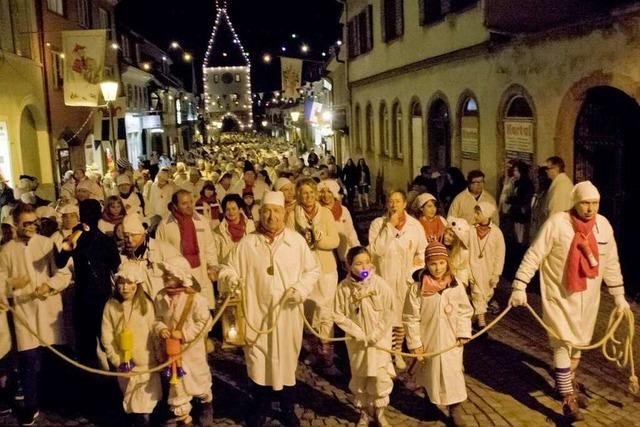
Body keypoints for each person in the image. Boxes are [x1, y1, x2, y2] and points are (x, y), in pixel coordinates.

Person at [509, 181, 630, 422]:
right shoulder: (557, 224)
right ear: (575, 202)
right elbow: (535, 254)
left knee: (578, 345)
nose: (590, 208)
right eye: (585, 203)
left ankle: (566, 380)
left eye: (595, 203)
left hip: (589, 299)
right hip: (559, 296)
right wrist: (519, 286)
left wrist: (619, 297)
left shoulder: (604, 227)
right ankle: (567, 396)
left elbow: (612, 263)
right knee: (562, 342)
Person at [218, 191, 321, 427]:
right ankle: (260, 408)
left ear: (284, 213)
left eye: (276, 211)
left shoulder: (296, 242)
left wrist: (300, 289)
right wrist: (231, 279)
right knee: (257, 363)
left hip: (286, 316)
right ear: (259, 214)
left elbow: (312, 271)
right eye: (266, 211)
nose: (271, 216)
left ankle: (287, 409)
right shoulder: (247, 244)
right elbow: (227, 268)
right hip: (256, 316)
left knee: (286, 363)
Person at [0, 202, 72, 426]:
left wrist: (49, 285)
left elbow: (63, 273)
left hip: (49, 311)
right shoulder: (7, 250)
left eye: (34, 222)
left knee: (54, 361)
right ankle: (31, 406)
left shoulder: (47, 243)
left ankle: (58, 404)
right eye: (26, 223)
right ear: (16, 224)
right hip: (25, 314)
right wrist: (11, 285)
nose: (31, 227)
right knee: (29, 363)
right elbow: (1, 282)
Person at [403, 242, 473, 425]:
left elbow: (465, 311)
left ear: (447, 262)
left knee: (453, 375)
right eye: (433, 264)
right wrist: (415, 343)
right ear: (426, 264)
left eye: (442, 263)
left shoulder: (455, 286)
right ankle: (429, 405)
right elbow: (410, 317)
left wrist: (463, 332)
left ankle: (455, 409)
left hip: (451, 341)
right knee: (429, 375)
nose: (438, 268)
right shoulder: (417, 288)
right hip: (429, 340)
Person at [55, 199, 121, 366]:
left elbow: (117, 269)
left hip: (99, 298)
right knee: (91, 347)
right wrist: (69, 243)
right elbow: (60, 262)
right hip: (86, 298)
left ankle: (113, 382)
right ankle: (100, 384)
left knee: (107, 344)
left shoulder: (105, 241)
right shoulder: (78, 238)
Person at [333, 246, 394, 427]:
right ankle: (364, 413)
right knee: (360, 376)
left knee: (380, 376)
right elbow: (338, 314)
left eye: (367, 262)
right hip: (358, 343)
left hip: (378, 342)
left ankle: (380, 412)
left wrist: (376, 334)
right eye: (358, 264)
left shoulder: (380, 285)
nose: (364, 267)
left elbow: (389, 311)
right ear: (349, 265)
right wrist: (356, 331)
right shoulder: (343, 288)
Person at [368, 190, 427, 370]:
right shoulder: (378, 224)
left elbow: (423, 249)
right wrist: (389, 227)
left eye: (398, 201)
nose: (394, 205)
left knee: (402, 316)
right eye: (390, 201)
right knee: (385, 317)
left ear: (404, 204)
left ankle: (397, 352)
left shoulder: (415, 225)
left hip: (405, 278)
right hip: (383, 276)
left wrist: (418, 263)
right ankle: (385, 355)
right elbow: (375, 251)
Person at [154, 258, 212, 426]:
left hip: (191, 351)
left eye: (169, 275)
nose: (165, 277)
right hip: (172, 352)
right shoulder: (160, 296)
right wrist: (161, 328)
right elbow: (157, 318)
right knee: (177, 385)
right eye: (164, 274)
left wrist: (184, 334)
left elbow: (205, 324)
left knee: (198, 382)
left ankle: (206, 406)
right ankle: (184, 418)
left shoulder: (196, 299)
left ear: (180, 276)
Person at [101, 262, 160, 426]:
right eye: (121, 283)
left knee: (146, 405)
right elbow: (107, 336)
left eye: (129, 283)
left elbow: (153, 332)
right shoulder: (111, 306)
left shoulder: (145, 306)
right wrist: (116, 359)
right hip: (125, 366)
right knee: (133, 403)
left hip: (147, 365)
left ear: (137, 285)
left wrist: (160, 356)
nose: (125, 288)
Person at [293, 178, 341, 374]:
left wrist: (320, 241)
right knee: (309, 312)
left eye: (311, 193)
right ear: (299, 195)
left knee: (325, 312)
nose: (309, 197)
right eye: (304, 193)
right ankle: (313, 350)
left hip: (326, 268)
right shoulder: (293, 216)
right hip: (304, 269)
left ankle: (328, 357)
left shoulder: (326, 213)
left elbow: (335, 240)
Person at [156, 190, 218, 309]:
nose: (189, 206)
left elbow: (210, 246)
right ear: (175, 205)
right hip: (177, 277)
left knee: (202, 310)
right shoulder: (164, 226)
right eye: (184, 203)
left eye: (191, 202)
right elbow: (160, 252)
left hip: (201, 272)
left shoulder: (202, 221)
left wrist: (212, 266)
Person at [120, 214, 185, 299]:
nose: (129, 240)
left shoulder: (165, 250)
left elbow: (183, 278)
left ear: (143, 233)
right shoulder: (122, 256)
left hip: (162, 306)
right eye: (126, 236)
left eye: (133, 235)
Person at [469, 202, 505, 329]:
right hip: (473, 269)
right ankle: (482, 324)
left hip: (488, 270)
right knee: (477, 293)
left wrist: (496, 274)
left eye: (478, 213)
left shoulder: (497, 233)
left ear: (486, 214)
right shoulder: (471, 230)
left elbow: (500, 255)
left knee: (485, 296)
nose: (475, 215)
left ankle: (473, 320)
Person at [318, 179, 360, 268]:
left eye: (329, 192)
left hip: (344, 253)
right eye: (322, 192)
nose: (326, 195)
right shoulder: (318, 211)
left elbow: (351, 233)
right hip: (327, 256)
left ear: (334, 194)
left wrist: (357, 251)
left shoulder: (343, 210)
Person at [213, 194, 255, 267]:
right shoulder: (219, 231)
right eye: (227, 209)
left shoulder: (249, 225)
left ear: (240, 209)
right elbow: (215, 256)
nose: (231, 212)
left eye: (233, 209)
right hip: (228, 269)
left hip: (248, 266)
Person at [507, 161, 534, 245]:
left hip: (521, 214)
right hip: (516, 213)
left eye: (516, 171)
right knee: (516, 234)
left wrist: (510, 199)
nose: (514, 173)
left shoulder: (526, 183)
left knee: (521, 236)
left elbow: (522, 198)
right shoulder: (516, 182)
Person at [443, 217, 471, 288]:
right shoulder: (447, 248)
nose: (446, 236)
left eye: (451, 235)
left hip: (458, 282)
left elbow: (453, 269)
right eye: (446, 233)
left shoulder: (463, 252)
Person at [529, 166, 552, 240]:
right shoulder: (538, 192)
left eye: (540, 176)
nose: (538, 178)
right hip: (534, 227)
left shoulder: (548, 194)